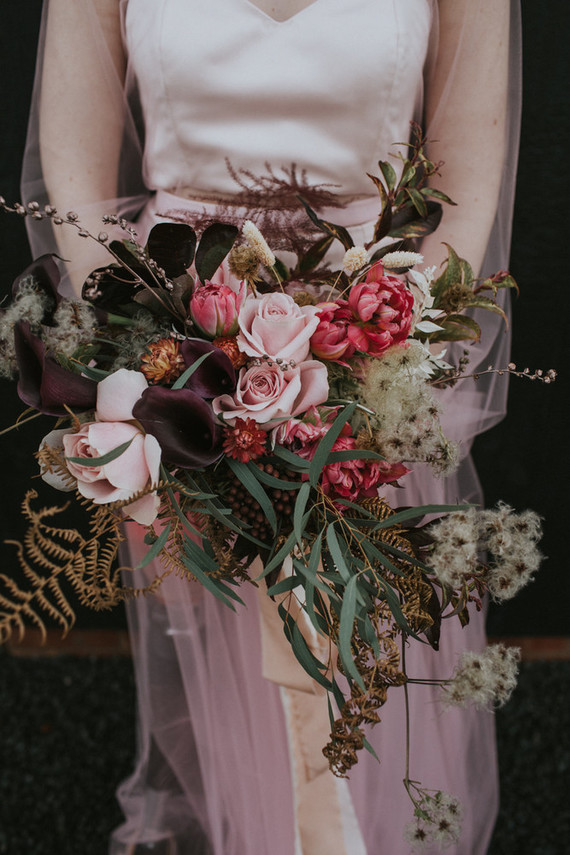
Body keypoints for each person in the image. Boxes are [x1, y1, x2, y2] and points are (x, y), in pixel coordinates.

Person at [22, 1, 522, 852]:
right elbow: (75, 173)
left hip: (375, 343)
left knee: (358, 656)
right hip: (184, 362)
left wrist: (392, 371)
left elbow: (469, 182)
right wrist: (151, 362)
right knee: (231, 663)